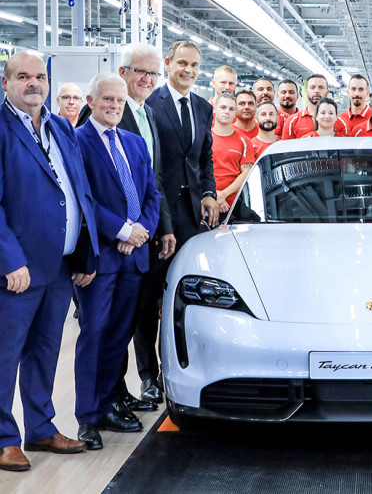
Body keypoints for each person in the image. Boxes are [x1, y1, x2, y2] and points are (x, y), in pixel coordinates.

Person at [0, 51, 99, 471]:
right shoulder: (2, 129)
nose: (33, 83)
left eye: (40, 76)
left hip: (59, 265)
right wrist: (9, 260)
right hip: (17, 271)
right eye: (23, 76)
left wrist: (85, 251)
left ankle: (40, 428)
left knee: (45, 351)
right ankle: (4, 439)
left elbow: (78, 190)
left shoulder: (60, 127)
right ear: (6, 83)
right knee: (5, 355)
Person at [77, 42, 174, 413]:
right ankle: (92, 412)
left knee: (120, 331)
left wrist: (143, 230)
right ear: (92, 101)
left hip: (135, 252)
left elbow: (152, 188)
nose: (115, 106)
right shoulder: (79, 139)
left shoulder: (137, 135)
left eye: (119, 101)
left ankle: (114, 399)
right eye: (108, 100)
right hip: (103, 252)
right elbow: (85, 197)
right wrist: (122, 230)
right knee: (96, 333)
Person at [144, 40, 219, 402]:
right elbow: (153, 167)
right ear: (168, 64)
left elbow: (205, 158)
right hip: (159, 213)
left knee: (187, 297)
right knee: (149, 298)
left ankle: (186, 367)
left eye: (194, 65)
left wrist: (209, 192)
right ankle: (148, 375)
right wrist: (163, 223)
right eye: (182, 63)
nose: (188, 70)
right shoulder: (151, 104)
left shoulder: (203, 107)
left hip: (192, 217)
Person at [212, 93, 255, 216]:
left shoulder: (244, 141)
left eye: (231, 109)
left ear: (235, 112)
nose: (227, 112)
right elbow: (196, 171)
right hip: (206, 200)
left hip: (234, 204)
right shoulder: (204, 139)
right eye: (223, 107)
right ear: (215, 109)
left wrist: (223, 195)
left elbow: (246, 173)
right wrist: (213, 195)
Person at [282, 74, 347, 138]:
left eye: (321, 87)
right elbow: (287, 144)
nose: (316, 91)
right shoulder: (292, 121)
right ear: (306, 91)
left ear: (327, 92)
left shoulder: (342, 122)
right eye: (312, 87)